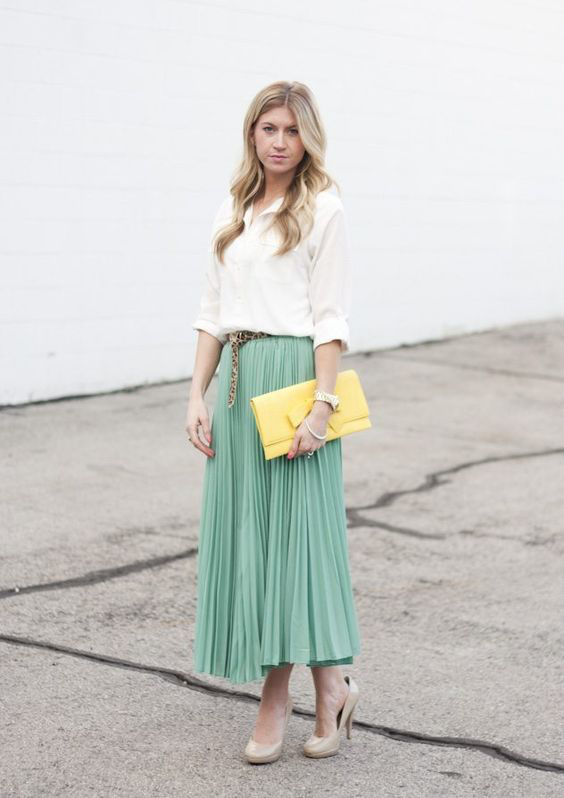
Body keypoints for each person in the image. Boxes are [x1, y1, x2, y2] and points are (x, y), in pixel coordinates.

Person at [186, 80, 361, 764]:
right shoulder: (233, 207)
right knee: (256, 543)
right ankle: (332, 688)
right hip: (236, 382)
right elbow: (211, 313)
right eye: (269, 129)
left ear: (307, 137)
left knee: (296, 543)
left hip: (294, 383)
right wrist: (195, 396)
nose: (280, 142)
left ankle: (275, 698)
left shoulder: (324, 208)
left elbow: (330, 319)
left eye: (291, 130)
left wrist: (322, 407)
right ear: (252, 134)